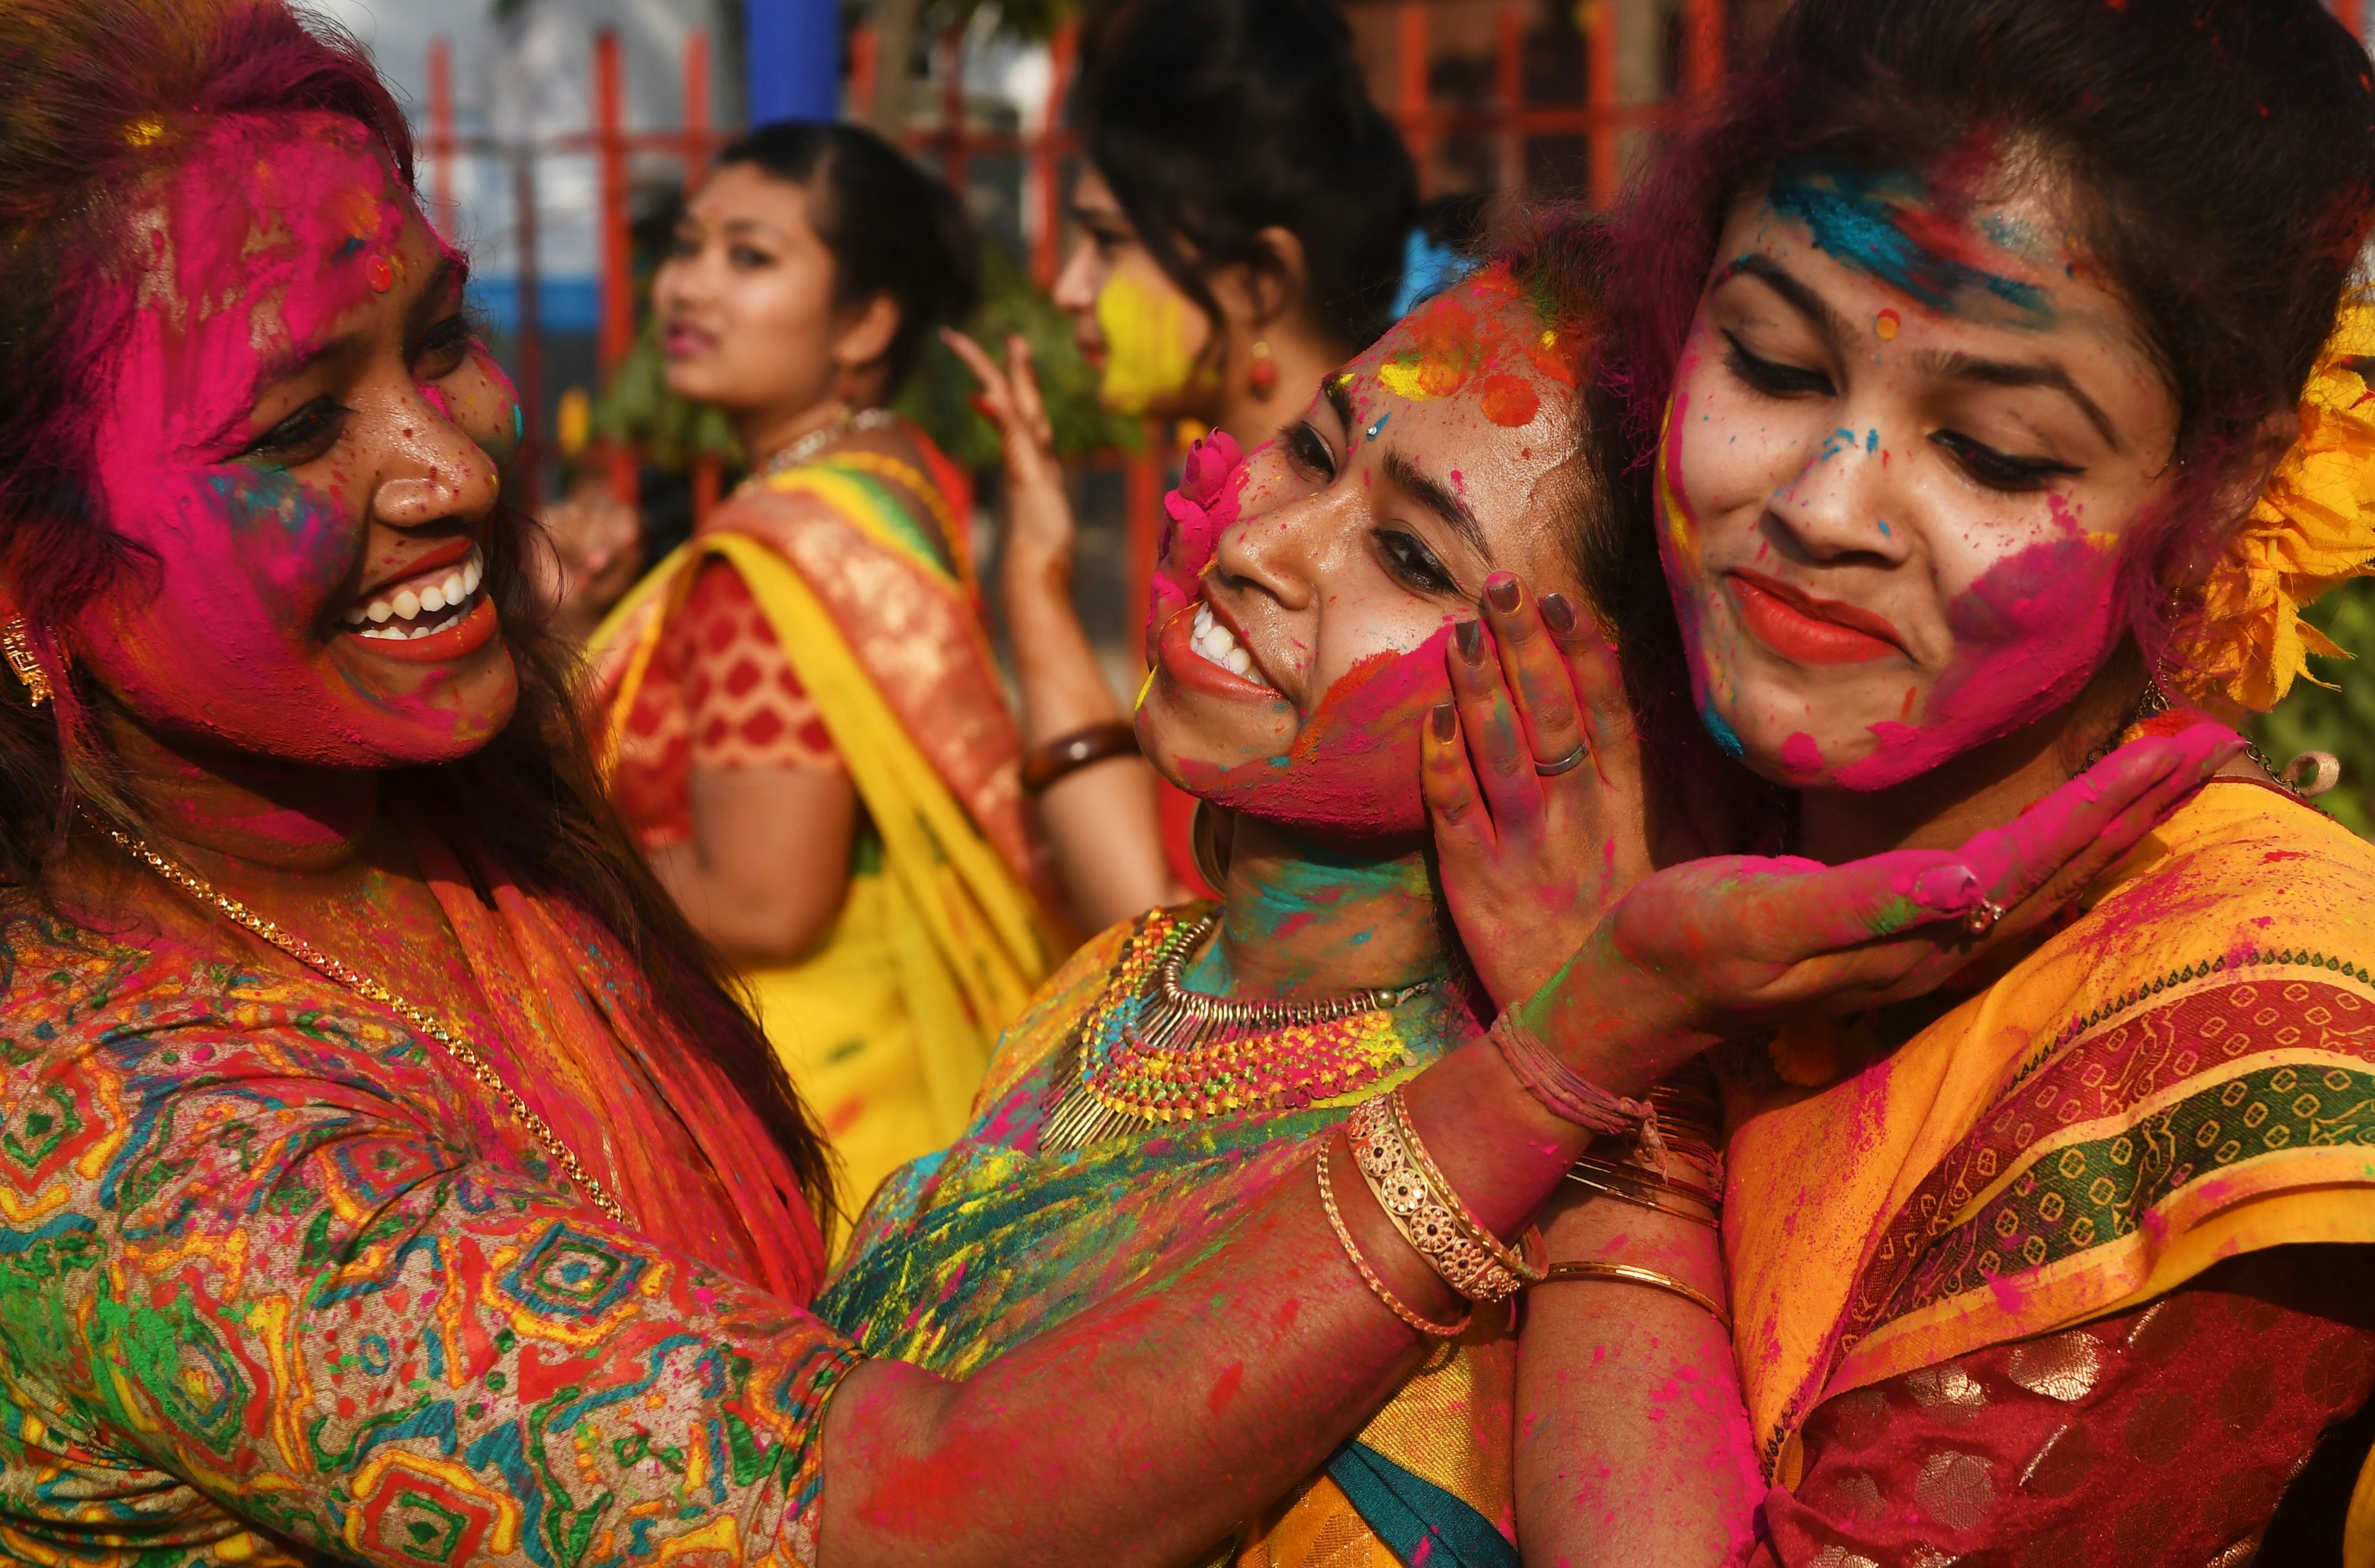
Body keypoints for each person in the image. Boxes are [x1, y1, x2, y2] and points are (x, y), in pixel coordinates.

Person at [0, 7, 2196, 1564]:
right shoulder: (133, 1141)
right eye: (297, 428)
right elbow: (881, 1496)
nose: (461, 455)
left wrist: (1585, 1088)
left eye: (448, 334)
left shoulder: (1485, 1130)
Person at [820, 221, 2235, 1564]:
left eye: (1412, 556)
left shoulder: (1517, 1211)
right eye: (1315, 447)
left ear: (1600, 712)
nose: (1265, 544)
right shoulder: (1129, 977)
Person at [1455, 0, 2375, 1560]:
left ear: (2216, 488)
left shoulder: (2254, 1041)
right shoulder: (1592, 787)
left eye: (2001, 452)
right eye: (1770, 361)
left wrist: (1606, 1082)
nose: (1827, 505)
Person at [582, 123, 1071, 1214]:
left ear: (863, 323)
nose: (690, 287)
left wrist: (543, 858)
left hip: (811, 1115)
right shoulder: (890, 482)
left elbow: (762, 901)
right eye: (691, 245)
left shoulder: (777, 558)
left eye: (750, 258)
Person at [952, 0, 1426, 927]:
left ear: (1258, 282)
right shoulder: (1239, 502)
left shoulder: (1307, 554)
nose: (1068, 286)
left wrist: (1036, 596)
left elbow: (1161, 925)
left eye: (1111, 243)